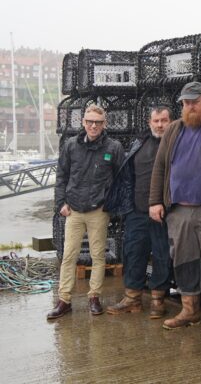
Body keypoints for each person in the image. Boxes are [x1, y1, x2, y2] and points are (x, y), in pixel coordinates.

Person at [149, 81, 201, 336]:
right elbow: (160, 167)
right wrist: (155, 201)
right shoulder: (173, 130)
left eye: (195, 101)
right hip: (178, 210)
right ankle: (189, 310)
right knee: (184, 260)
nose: (190, 106)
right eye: (186, 102)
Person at [47, 104, 124, 319]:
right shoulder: (71, 145)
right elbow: (61, 176)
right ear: (83, 123)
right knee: (69, 255)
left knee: (98, 255)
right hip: (74, 210)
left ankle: (94, 297)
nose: (93, 125)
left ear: (104, 124)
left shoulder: (113, 148)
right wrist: (60, 203)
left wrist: (112, 205)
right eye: (89, 121)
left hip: (99, 211)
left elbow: (121, 179)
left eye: (98, 122)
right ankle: (64, 300)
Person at [104, 105, 173, 319]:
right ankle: (132, 298)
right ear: (149, 123)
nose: (160, 125)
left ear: (171, 122)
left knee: (162, 256)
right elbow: (127, 176)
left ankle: (158, 300)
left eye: (164, 120)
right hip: (137, 211)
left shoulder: (175, 144)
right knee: (133, 253)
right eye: (156, 121)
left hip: (165, 213)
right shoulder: (139, 142)